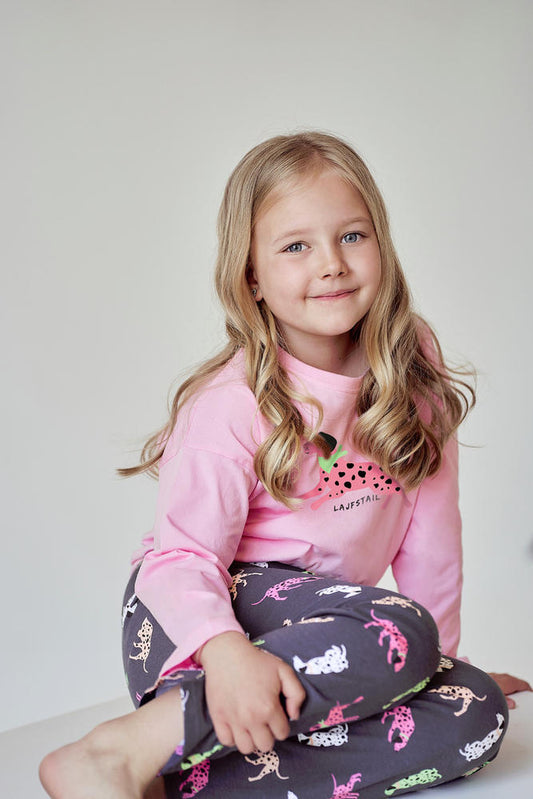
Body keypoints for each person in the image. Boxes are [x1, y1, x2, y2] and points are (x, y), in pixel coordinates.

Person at [40, 131, 531, 799]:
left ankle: (178, 782)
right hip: (198, 624)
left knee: (477, 715)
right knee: (398, 629)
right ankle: (124, 747)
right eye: (295, 246)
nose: (331, 264)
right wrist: (224, 650)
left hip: (337, 645)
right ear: (250, 275)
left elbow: (432, 541)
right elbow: (181, 559)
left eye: (352, 236)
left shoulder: (411, 361)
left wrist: (439, 668)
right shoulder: (231, 403)